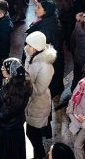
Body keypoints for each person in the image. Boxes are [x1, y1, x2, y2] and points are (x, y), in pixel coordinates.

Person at [0, 58, 32, 159]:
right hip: (12, 128)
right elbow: (5, 91)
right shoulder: (15, 81)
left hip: (10, 133)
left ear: (10, 72)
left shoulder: (17, 94)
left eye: (4, 68)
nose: (1, 69)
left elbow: (1, 114)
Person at [24, 31, 57, 159]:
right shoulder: (31, 56)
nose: (27, 47)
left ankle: (40, 156)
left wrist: (25, 79)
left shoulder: (46, 66)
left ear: (37, 48)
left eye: (30, 45)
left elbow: (38, 90)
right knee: (31, 133)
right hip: (31, 102)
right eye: (27, 44)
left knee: (34, 136)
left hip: (38, 104)